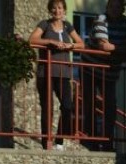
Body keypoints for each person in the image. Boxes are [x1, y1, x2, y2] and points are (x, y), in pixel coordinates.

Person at [29, 0, 85, 150]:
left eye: (60, 8)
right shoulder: (45, 24)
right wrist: (50, 42)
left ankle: (59, 139)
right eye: (54, 8)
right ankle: (46, 143)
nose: (57, 10)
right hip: (45, 73)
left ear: (64, 10)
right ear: (50, 10)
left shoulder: (68, 26)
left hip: (64, 73)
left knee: (67, 106)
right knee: (47, 107)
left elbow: (81, 43)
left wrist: (70, 45)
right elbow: (32, 40)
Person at [80, 0, 126, 152]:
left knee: (110, 107)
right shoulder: (101, 19)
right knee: (90, 104)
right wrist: (121, 49)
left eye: (118, 6)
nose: (114, 9)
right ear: (107, 8)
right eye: (112, 6)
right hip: (91, 68)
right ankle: (91, 141)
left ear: (122, 9)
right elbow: (103, 45)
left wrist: (114, 48)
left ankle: (108, 143)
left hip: (110, 72)